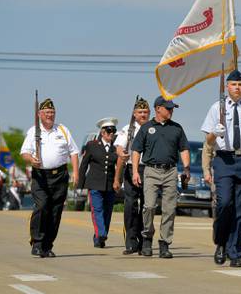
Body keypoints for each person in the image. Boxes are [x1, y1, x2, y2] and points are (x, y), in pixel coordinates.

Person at [201, 71, 241, 267]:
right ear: (227, 87)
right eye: (233, 84)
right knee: (225, 204)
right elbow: (208, 140)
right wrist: (215, 133)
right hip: (224, 160)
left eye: (240, 84)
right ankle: (221, 242)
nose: (237, 87)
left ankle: (235, 251)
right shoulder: (216, 108)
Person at [131, 96, 191, 259]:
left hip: (170, 171)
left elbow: (184, 149)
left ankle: (165, 243)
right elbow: (136, 151)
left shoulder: (177, 128)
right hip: (151, 171)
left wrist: (186, 168)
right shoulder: (146, 128)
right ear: (158, 108)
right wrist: (136, 171)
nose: (171, 111)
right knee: (149, 206)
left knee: (169, 209)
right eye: (168, 108)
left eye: (172, 108)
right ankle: (147, 239)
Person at [20, 98, 80, 258]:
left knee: (55, 211)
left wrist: (76, 172)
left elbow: (74, 152)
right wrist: (32, 160)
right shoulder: (34, 131)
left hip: (60, 175)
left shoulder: (62, 130)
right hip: (40, 176)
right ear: (39, 114)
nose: (50, 115)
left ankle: (47, 245)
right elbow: (24, 153)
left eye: (52, 112)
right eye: (46, 112)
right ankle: (37, 242)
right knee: (42, 206)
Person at [113, 97, 151, 255]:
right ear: (134, 114)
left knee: (147, 207)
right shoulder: (128, 129)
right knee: (130, 205)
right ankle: (131, 241)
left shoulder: (153, 127)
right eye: (139, 112)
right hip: (131, 169)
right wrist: (122, 153)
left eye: (145, 112)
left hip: (149, 170)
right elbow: (119, 148)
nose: (142, 114)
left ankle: (144, 242)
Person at [79, 117, 119, 248]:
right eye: (108, 131)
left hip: (110, 185)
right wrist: (81, 183)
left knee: (107, 212)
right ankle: (101, 233)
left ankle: (99, 237)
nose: (111, 133)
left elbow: (120, 167)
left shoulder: (116, 149)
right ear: (102, 132)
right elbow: (84, 165)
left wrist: (119, 182)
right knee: (97, 210)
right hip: (94, 184)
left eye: (113, 131)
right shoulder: (92, 145)